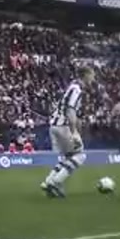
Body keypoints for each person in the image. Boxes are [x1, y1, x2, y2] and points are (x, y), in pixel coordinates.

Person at [40, 66, 96, 198]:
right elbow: (70, 110)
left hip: (55, 125)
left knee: (68, 157)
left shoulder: (72, 87)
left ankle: (48, 181)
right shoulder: (76, 89)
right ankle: (56, 182)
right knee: (80, 156)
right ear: (86, 75)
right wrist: (74, 131)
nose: (93, 79)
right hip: (63, 126)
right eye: (92, 75)